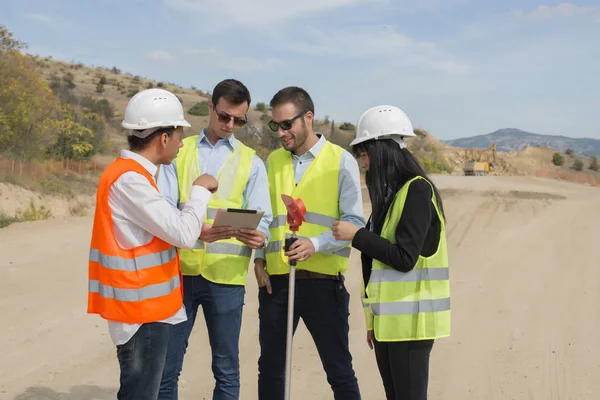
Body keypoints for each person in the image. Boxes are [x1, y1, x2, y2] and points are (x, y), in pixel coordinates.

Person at [87, 88, 219, 400]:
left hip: (144, 310)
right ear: (163, 137)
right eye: (179, 134)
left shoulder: (132, 175)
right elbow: (181, 235)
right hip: (140, 314)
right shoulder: (130, 179)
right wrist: (199, 191)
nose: (181, 142)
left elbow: (156, 228)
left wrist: (195, 228)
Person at [157, 79, 272, 400]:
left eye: (239, 120)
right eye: (224, 117)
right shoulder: (179, 152)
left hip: (227, 277)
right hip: (179, 274)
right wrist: (195, 230)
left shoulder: (252, 161)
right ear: (210, 107)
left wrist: (260, 237)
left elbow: (266, 216)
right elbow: (164, 207)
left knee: (226, 368)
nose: (230, 125)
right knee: (168, 367)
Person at [331, 105, 451, 400]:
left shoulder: (418, 191)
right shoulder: (392, 197)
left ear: (383, 150)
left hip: (412, 327)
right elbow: (377, 270)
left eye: (365, 153)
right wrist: (374, 324)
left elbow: (404, 258)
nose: (363, 163)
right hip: (389, 327)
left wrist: (356, 235)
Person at [254, 86, 365, 400]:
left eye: (287, 124)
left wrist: (315, 244)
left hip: (323, 284)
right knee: (271, 370)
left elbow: (355, 223)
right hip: (277, 284)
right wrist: (259, 260)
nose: (281, 132)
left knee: (339, 370)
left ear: (309, 118)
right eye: (276, 125)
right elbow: (265, 216)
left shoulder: (341, 161)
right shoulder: (272, 161)